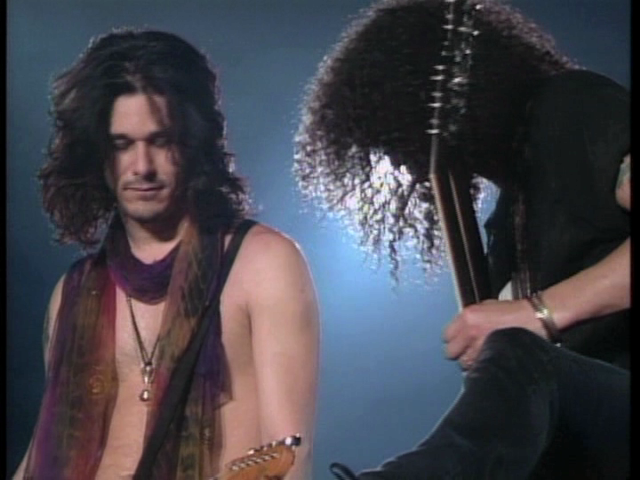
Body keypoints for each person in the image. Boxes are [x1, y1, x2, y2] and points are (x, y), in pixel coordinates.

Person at [293, 0, 629, 478]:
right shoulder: (510, 217)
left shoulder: (572, 108)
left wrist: (536, 314)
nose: (402, 160)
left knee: (519, 354)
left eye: (399, 133)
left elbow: (530, 343)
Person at [13, 28, 319, 480]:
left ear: (193, 143)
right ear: (96, 154)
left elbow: (289, 459)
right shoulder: (74, 292)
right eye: (121, 145)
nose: (142, 167)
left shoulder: (263, 265)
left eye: (161, 141)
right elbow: (43, 451)